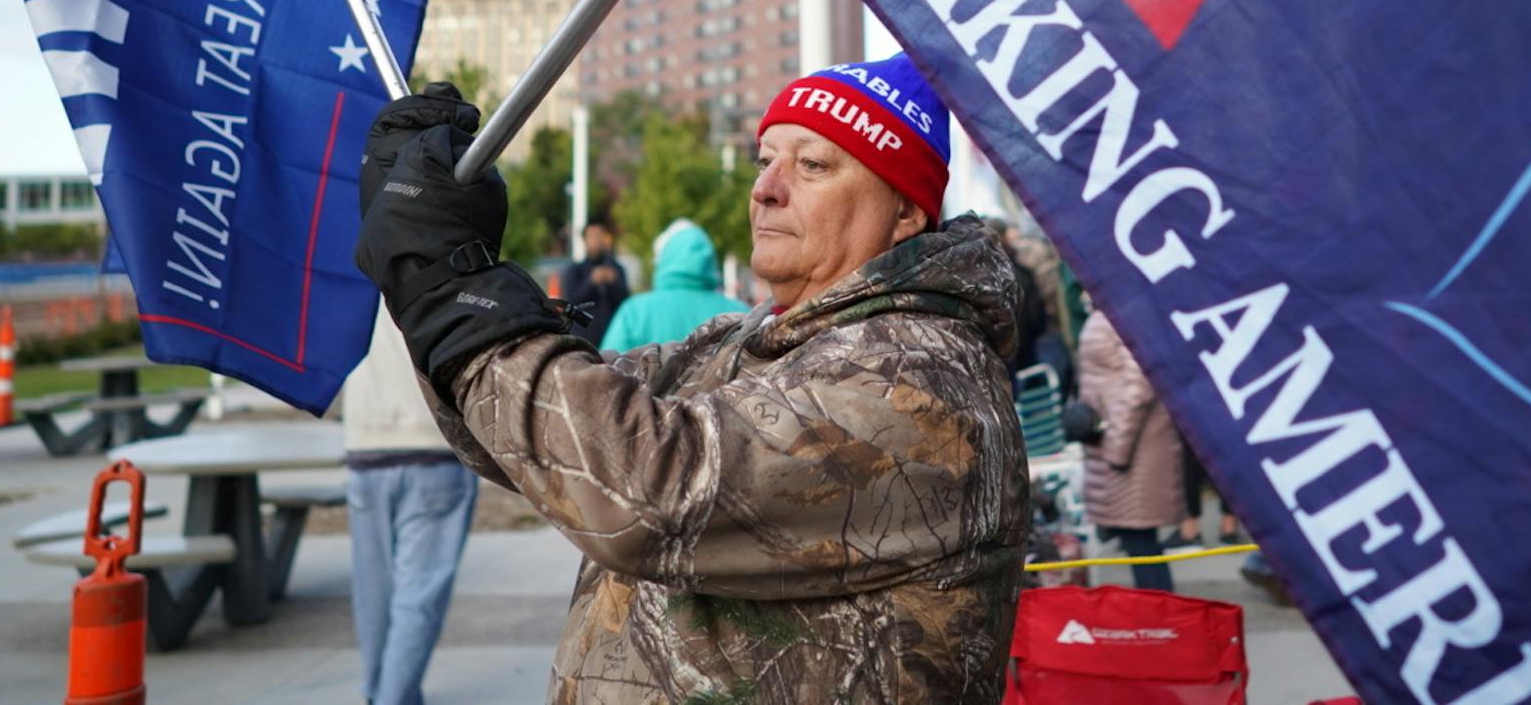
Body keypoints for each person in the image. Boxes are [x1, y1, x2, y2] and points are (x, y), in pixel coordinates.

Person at [355, 54, 1030, 703]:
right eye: (765, 160)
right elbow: (544, 443)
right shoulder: (748, 338)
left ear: (906, 211)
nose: (766, 186)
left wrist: (452, 282)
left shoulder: (921, 385)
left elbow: (648, 490)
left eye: (813, 165)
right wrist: (431, 270)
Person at [342, 304, 478, 705]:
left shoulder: (352, 263)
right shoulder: (450, 259)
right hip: (432, 441)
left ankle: (378, 690)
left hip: (365, 439)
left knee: (374, 588)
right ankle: (393, 696)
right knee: (419, 593)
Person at [1076, 309, 1185, 592]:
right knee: (1137, 542)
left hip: (1133, 444)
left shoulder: (1126, 313)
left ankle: (1160, 617)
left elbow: (1139, 385)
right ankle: (1156, 616)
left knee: (1142, 541)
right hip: (1115, 439)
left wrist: (1117, 447)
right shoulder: (1107, 308)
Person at [598, 217, 746, 352]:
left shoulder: (634, 312)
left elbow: (605, 371)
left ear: (664, 258)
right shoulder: (740, 313)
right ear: (709, 260)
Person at [555, 219, 628, 348]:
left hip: (613, 340)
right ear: (585, 240)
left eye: (600, 236)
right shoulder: (574, 270)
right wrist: (591, 281)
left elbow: (625, 300)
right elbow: (570, 300)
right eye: (593, 236)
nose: (597, 241)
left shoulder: (615, 269)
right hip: (583, 341)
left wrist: (611, 282)